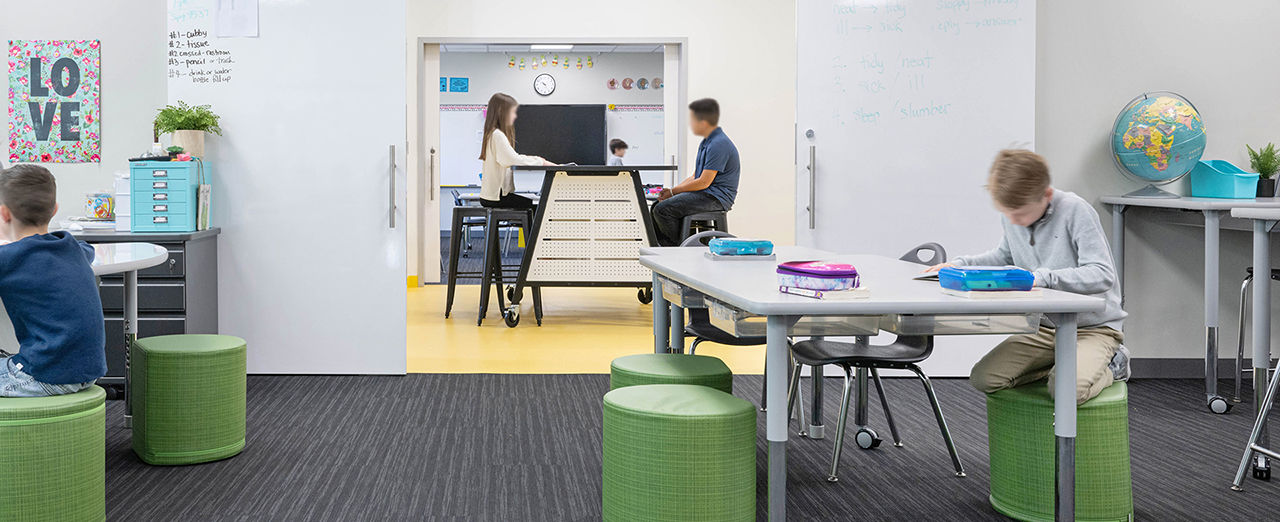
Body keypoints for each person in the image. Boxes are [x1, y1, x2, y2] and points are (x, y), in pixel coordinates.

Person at [925, 149, 1129, 405]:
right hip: (1045, 328)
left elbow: (1102, 274)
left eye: (1019, 214)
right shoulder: (1014, 216)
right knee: (984, 378)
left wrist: (1041, 278)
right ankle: (1062, 366)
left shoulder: (1076, 211)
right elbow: (1002, 255)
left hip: (1093, 329)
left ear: (1046, 195)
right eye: (1008, 213)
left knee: (1066, 391)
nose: (1013, 220)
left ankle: (1114, 366)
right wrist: (957, 265)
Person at [0, 164, 106, 397]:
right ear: (55, 209)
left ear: (4, 214)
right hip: (89, 373)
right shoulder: (71, 247)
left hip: (44, 376)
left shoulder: (7, 258)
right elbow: (88, 250)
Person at [651, 98, 739, 246]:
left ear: (703, 122)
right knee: (657, 206)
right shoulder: (707, 142)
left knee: (663, 210)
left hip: (715, 198)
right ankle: (675, 245)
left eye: (692, 121)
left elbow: (704, 182)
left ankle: (677, 248)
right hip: (706, 193)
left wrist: (673, 192)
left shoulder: (719, 144)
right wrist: (673, 193)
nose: (690, 125)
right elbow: (695, 176)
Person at [478, 93, 555, 209]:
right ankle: (530, 228)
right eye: (512, 112)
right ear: (502, 112)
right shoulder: (497, 135)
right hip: (497, 197)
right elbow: (512, 159)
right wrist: (540, 161)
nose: (515, 116)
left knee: (534, 205)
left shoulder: (491, 134)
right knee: (537, 208)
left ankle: (528, 227)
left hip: (491, 196)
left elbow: (511, 158)